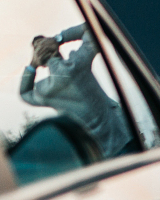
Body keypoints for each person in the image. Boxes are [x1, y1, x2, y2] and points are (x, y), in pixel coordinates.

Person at [19, 23, 133, 158]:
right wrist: (58, 39)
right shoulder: (78, 63)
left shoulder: (45, 90)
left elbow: (24, 92)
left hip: (98, 156)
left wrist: (33, 64)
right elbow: (92, 27)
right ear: (57, 49)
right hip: (124, 139)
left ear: (42, 63)